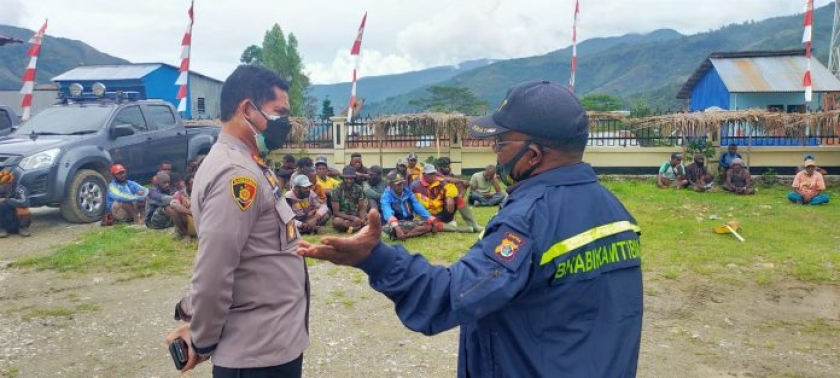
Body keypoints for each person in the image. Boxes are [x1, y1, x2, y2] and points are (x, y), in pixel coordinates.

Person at [297, 80, 642, 377]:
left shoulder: (529, 219)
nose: (495, 153)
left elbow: (452, 296)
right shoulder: (615, 210)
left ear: (533, 155)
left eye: (500, 143)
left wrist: (376, 258)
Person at [165, 65, 309, 377]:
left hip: (271, 343)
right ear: (247, 109)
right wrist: (202, 340)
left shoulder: (248, 163)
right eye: (279, 113)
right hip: (257, 356)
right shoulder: (236, 174)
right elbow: (215, 270)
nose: (285, 124)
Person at [411, 163, 477, 233]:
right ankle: (459, 229)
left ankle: (474, 225)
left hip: (443, 211)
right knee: (429, 223)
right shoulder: (416, 186)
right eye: (430, 174)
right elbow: (422, 205)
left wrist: (449, 197)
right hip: (429, 215)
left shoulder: (440, 181)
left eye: (434, 173)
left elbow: (451, 186)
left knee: (457, 198)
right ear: (424, 174)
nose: (433, 176)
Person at [379, 173, 436, 241]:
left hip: (409, 222)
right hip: (395, 223)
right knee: (389, 229)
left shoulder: (408, 192)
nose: (401, 186)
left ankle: (404, 236)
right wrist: (396, 227)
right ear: (390, 184)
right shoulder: (386, 196)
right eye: (398, 184)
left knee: (429, 225)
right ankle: (407, 232)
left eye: (402, 183)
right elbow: (387, 211)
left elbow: (418, 206)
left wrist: (430, 218)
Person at [435, 157, 484, 232]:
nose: (448, 168)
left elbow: (457, 190)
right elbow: (445, 179)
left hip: (448, 207)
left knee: (459, 198)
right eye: (445, 166)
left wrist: (463, 187)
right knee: (433, 223)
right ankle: (463, 229)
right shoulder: (433, 175)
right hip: (437, 207)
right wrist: (460, 181)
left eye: (448, 166)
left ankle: (474, 225)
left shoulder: (451, 175)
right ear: (438, 167)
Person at [331, 165, 368, 233]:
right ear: (343, 178)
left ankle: (351, 228)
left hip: (356, 215)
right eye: (347, 178)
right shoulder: (336, 189)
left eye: (351, 179)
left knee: (373, 217)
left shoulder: (359, 189)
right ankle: (356, 227)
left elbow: (361, 208)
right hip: (342, 216)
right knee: (337, 222)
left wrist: (362, 219)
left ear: (354, 178)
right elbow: (336, 212)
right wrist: (352, 218)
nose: (349, 181)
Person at [0, 170, 32, 237]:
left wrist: (7, 200)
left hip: (17, 219)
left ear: (10, 183)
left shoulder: (20, 189)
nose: (1, 186)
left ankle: (23, 227)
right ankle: (1, 229)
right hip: (4, 219)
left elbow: (26, 202)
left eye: (3, 184)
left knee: (24, 209)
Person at [169, 174, 196, 241]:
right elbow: (174, 205)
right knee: (174, 211)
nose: (196, 185)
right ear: (187, 185)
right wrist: (192, 213)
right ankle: (186, 235)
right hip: (190, 221)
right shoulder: (180, 193)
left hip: (204, 221)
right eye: (192, 183)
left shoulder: (204, 191)